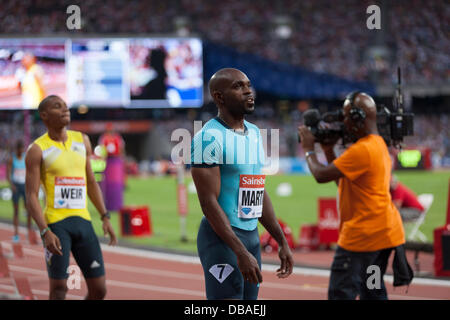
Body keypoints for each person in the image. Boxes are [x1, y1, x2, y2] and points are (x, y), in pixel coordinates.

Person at [298, 91, 413, 300]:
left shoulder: (362, 150)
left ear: (357, 119)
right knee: (372, 292)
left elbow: (321, 175)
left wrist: (308, 150)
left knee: (340, 293)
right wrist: (328, 150)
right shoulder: (377, 144)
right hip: (381, 238)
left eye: (346, 117)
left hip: (362, 239)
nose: (344, 123)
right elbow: (342, 182)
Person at [191, 68, 293, 300]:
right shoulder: (208, 138)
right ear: (219, 97)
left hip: (251, 237)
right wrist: (239, 251)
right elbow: (208, 203)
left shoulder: (255, 133)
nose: (248, 91)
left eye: (248, 84)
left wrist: (281, 240)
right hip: (221, 240)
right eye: (238, 86)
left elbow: (258, 190)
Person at [25, 95, 117, 300]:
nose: (65, 110)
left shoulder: (82, 140)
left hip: (83, 222)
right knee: (58, 290)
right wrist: (44, 231)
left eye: (66, 107)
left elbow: (91, 183)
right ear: (44, 115)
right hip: (56, 225)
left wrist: (104, 216)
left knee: (99, 289)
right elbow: (30, 195)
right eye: (58, 107)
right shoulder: (37, 149)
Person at [6, 140, 33, 243]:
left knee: (29, 211)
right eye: (19, 149)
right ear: (17, 149)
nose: (21, 151)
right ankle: (16, 235)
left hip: (25, 186)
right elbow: (8, 174)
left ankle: (29, 233)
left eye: (22, 149)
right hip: (16, 186)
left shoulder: (26, 157)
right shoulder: (12, 159)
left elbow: (30, 171)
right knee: (16, 211)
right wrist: (12, 185)